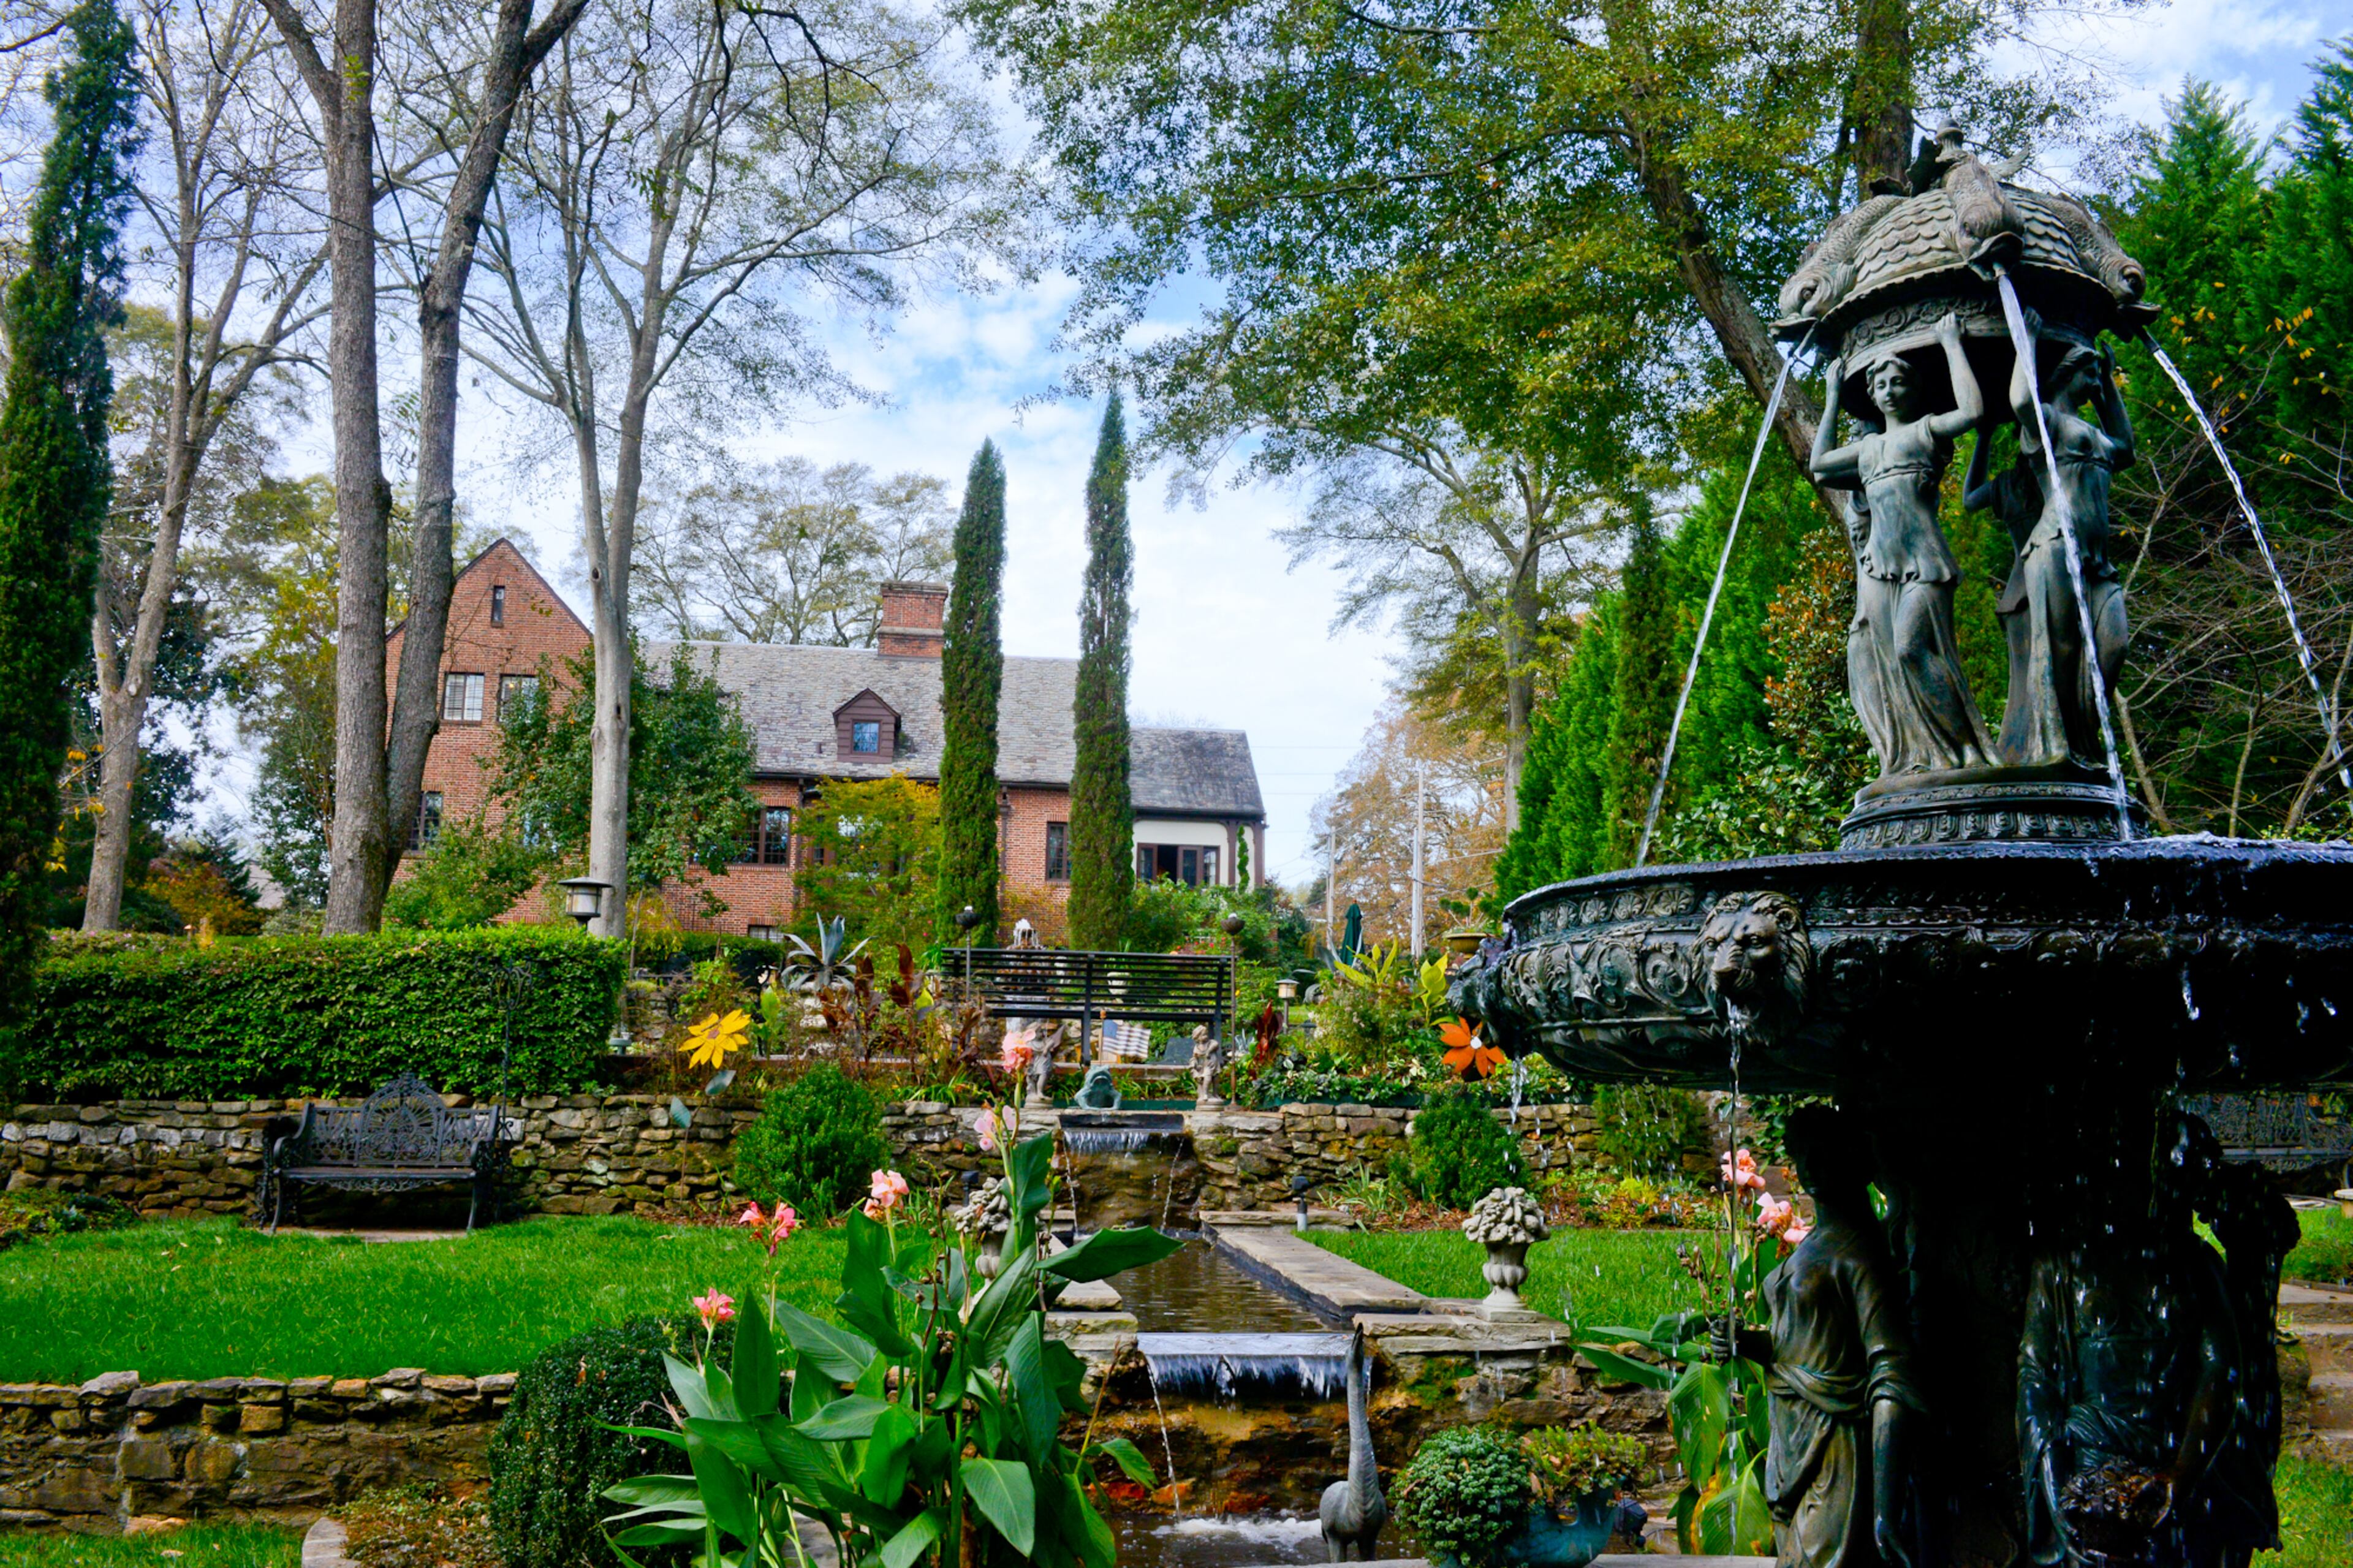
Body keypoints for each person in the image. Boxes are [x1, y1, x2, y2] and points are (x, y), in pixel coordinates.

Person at [1718, 1107, 1923, 1568]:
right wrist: (1750, 1343)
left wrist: (1886, 1507)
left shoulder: (1860, 1253)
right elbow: (1806, 1340)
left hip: (1837, 1449)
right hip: (1790, 1442)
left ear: (1855, 1159)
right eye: (1801, 1152)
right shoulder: (1816, 1242)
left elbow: (1892, 1373)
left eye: (1822, 1152)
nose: (1809, 1163)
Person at [1813, 313, 1997, 778]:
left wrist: (1951, 343)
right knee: (1890, 661)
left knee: (1913, 649)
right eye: (1883, 385)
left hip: (1924, 561)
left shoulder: (1926, 430)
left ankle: (1966, 749)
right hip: (1878, 565)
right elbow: (1819, 464)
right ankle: (1918, 756)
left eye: (1900, 382)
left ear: (1913, 390)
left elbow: (1973, 413)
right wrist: (1833, 394)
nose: (1891, 390)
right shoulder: (1869, 447)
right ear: (1872, 396)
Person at [1965, 320, 2134, 769]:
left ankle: (2083, 739)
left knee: (2114, 644)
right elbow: (2021, 400)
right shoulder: (2050, 424)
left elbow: (2127, 448)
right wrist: (2028, 341)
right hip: (2055, 545)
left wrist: (2108, 390)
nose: (2095, 380)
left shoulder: (2095, 434)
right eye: (2089, 373)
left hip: (2097, 561)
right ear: (2064, 376)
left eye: (2098, 375)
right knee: (2058, 649)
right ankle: (2056, 748)